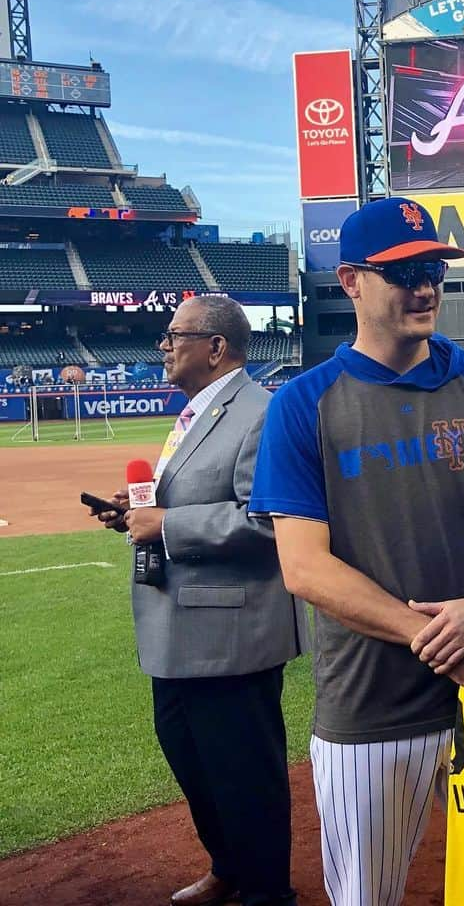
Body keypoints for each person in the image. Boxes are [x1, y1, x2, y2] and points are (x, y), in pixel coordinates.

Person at [248, 197, 464, 906]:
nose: (425, 286)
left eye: (432, 267)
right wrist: (442, 640)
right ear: (350, 282)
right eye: (402, 271)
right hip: (371, 712)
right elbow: (304, 566)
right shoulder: (304, 404)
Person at [92, 296, 307, 906]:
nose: (164, 346)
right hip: (179, 629)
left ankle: (268, 892)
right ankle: (228, 868)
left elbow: (267, 522)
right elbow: (189, 496)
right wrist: (137, 512)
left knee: (245, 776)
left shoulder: (263, 412)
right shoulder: (195, 412)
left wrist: (166, 525)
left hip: (233, 633)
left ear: (215, 347)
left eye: (174, 335)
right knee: (194, 764)